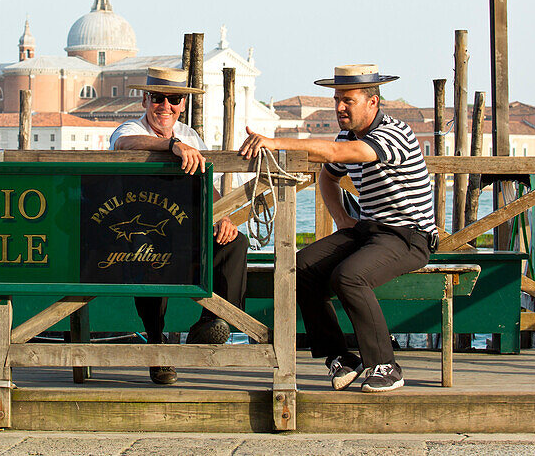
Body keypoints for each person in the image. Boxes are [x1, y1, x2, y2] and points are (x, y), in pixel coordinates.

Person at [239, 64, 436, 393]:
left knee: (349, 276)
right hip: (368, 231)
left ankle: (386, 366)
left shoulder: (393, 133)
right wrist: (342, 219)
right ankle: (341, 357)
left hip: (409, 235)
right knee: (300, 266)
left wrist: (274, 143)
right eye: (336, 100)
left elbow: (340, 153)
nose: (340, 107)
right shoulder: (347, 135)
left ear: (372, 102)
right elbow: (328, 176)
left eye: (348, 100)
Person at [110, 67, 249, 385]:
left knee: (235, 242)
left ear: (183, 103)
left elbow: (207, 185)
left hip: (185, 229)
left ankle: (213, 320)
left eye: (174, 99)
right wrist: (172, 146)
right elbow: (124, 144)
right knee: (148, 254)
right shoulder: (130, 128)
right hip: (137, 232)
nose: (165, 106)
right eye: (158, 98)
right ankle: (157, 346)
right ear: (145, 99)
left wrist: (223, 217)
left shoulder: (192, 135)